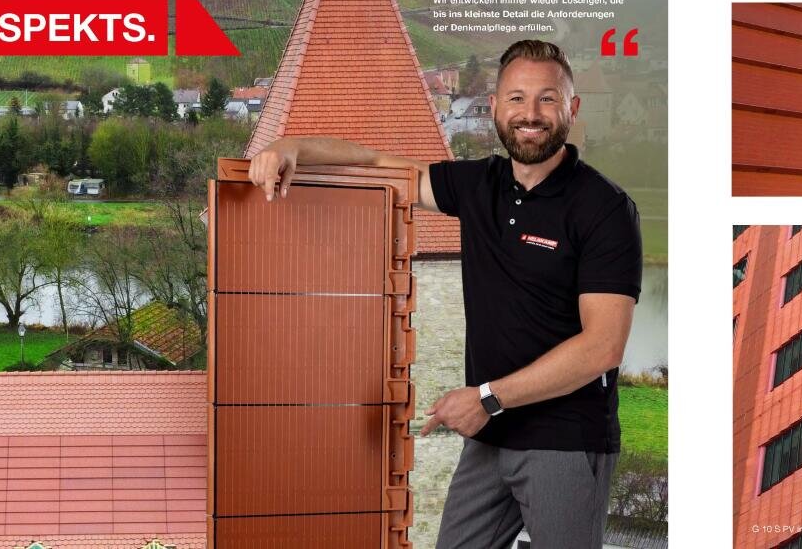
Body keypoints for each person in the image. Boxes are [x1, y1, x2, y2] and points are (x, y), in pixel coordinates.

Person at [248, 39, 641, 548]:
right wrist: (290, 147)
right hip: (490, 436)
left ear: (572, 109)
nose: (531, 114)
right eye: (517, 98)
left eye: (548, 99)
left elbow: (603, 347)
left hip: (564, 439)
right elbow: (373, 166)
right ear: (496, 106)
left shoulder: (604, 208)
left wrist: (488, 398)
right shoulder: (478, 184)